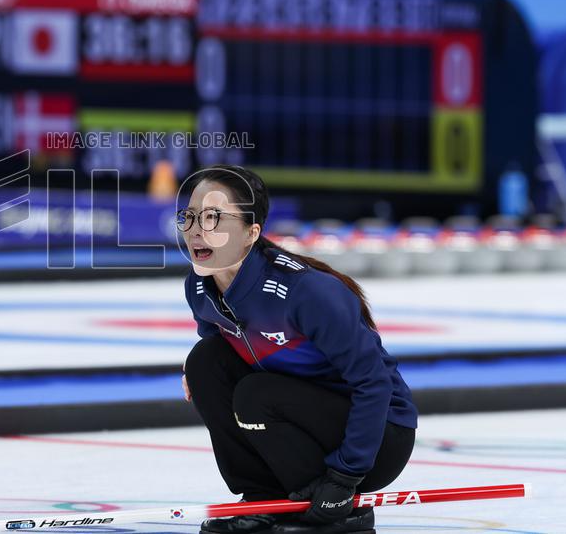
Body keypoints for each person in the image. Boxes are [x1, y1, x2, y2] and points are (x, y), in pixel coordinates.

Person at [178, 165, 417, 534]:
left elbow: (374, 385)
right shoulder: (199, 288)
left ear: (251, 233)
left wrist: (344, 478)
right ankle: (263, 497)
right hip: (300, 413)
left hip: (379, 436)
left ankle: (334, 506)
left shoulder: (305, 293)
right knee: (203, 363)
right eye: (190, 217)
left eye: (213, 218)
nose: (196, 229)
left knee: (255, 395)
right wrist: (198, 376)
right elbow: (217, 343)